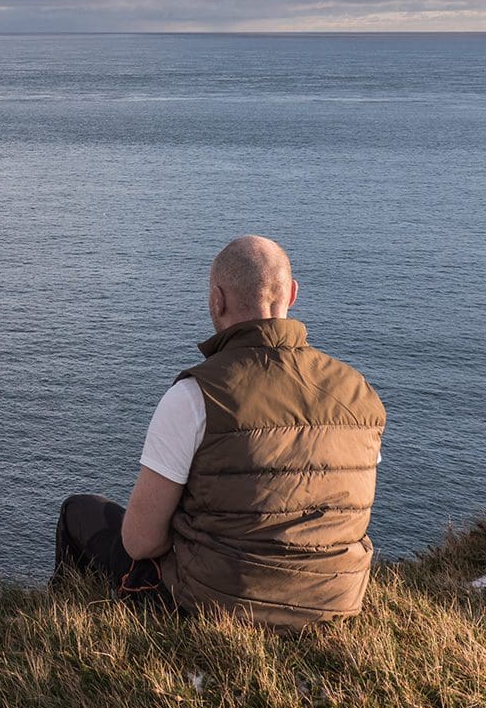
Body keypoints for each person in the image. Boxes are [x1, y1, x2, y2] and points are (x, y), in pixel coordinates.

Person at [53, 235, 386, 629]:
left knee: (79, 511)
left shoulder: (195, 395)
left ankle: (68, 623)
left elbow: (141, 541)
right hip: (336, 599)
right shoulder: (358, 392)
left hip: (219, 604)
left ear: (217, 300)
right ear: (292, 295)